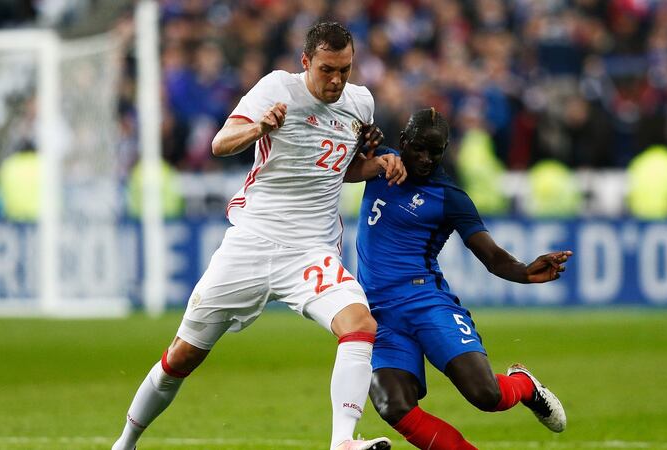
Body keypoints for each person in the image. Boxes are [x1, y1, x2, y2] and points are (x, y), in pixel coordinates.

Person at [112, 22, 406, 450]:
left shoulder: (361, 103)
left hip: (310, 251)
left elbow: (340, 167)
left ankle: (343, 441)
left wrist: (378, 164)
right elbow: (220, 143)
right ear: (306, 62)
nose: (336, 80)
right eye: (327, 69)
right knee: (182, 355)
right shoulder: (277, 88)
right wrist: (259, 128)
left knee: (360, 324)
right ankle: (126, 442)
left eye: (344, 69)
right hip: (252, 242)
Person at [355, 108, 571, 449]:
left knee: (486, 395)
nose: (426, 159)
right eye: (419, 149)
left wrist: (525, 271)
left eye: (435, 152)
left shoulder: (449, 197)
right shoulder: (380, 162)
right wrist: (360, 138)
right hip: (379, 314)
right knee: (392, 405)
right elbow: (334, 167)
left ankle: (525, 386)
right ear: (403, 141)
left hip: (426, 304)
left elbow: (492, 256)